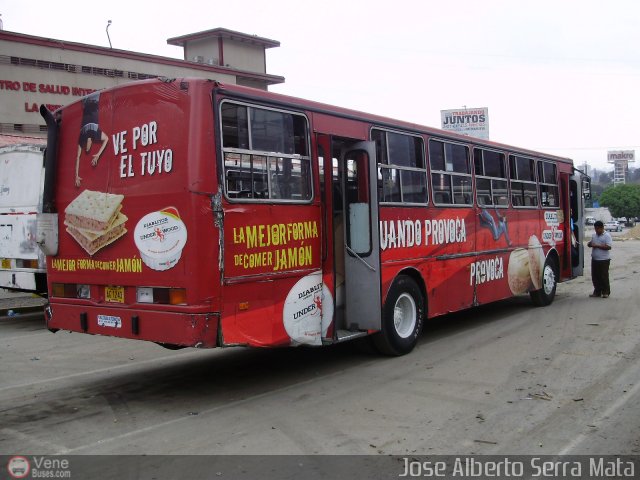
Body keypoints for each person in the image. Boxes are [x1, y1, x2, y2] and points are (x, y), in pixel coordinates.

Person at [75, 92, 108, 187]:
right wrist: (98, 154)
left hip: (85, 104)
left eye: (87, 148)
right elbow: (106, 139)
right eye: (88, 148)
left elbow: (78, 158)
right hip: (95, 102)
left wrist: (76, 175)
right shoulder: (96, 135)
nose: (88, 147)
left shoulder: (82, 138)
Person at [587, 220, 612, 298]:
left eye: (598, 229)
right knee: (595, 276)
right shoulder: (594, 235)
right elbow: (591, 243)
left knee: (603, 276)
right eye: (595, 229)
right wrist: (590, 244)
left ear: (602, 228)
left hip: (604, 260)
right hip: (595, 259)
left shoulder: (607, 235)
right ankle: (597, 291)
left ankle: (606, 292)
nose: (596, 230)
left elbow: (609, 247)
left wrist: (597, 246)